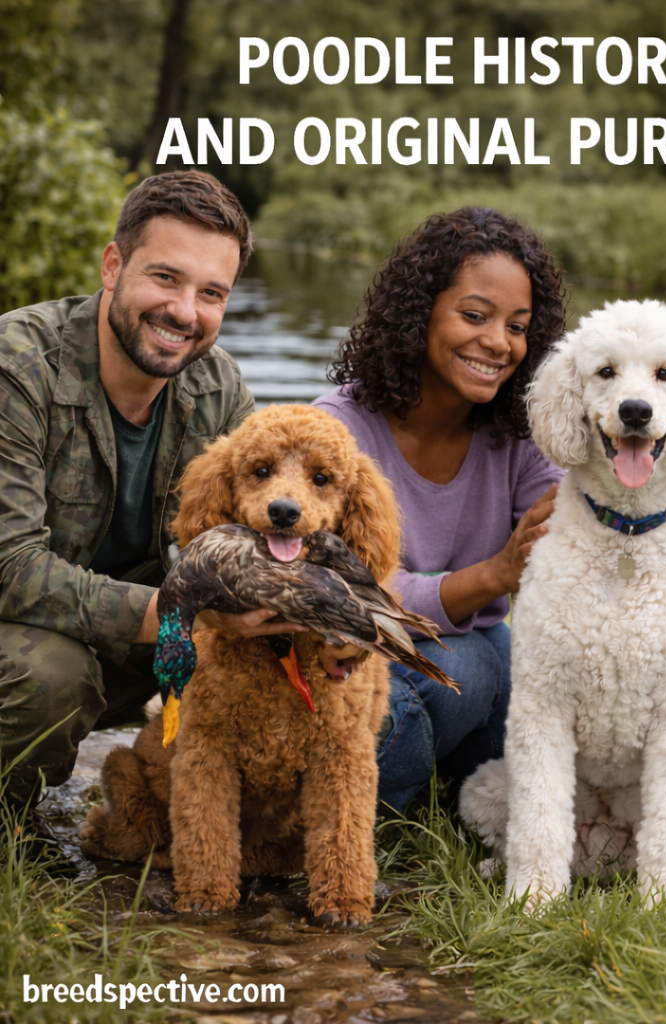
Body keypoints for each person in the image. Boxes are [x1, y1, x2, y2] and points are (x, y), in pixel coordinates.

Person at [0, 171, 304, 829]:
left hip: (127, 628)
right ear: (113, 266)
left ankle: (232, 825)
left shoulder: (218, 388)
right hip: (23, 634)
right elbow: (11, 569)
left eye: (212, 293)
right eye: (165, 278)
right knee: (52, 676)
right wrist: (184, 616)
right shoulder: (16, 366)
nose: (185, 312)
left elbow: (255, 534)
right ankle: (9, 820)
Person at [314, 207, 565, 812]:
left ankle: (423, 789)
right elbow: (341, 596)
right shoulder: (335, 433)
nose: (499, 343)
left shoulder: (521, 436)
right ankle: (377, 796)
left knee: (492, 668)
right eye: (474, 316)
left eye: (517, 326)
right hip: (346, 658)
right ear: (417, 314)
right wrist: (493, 577)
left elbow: (576, 538)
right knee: (445, 684)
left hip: (471, 653)